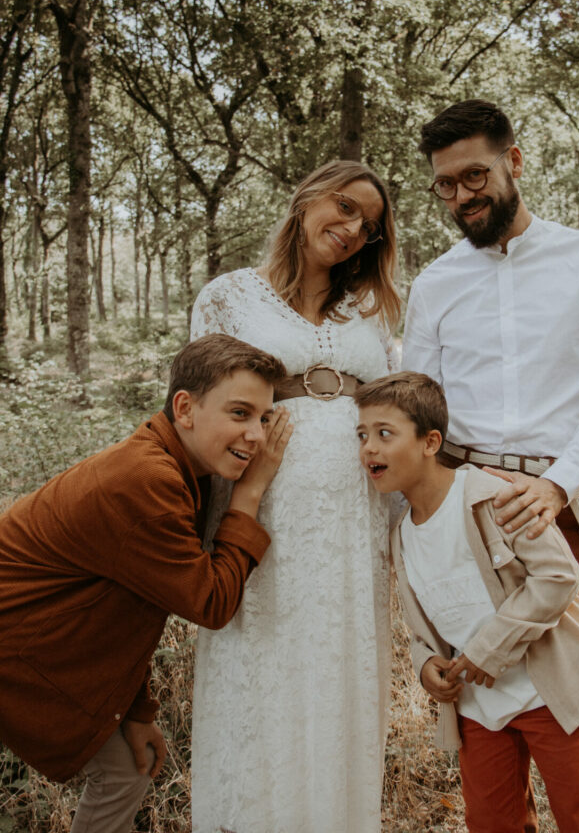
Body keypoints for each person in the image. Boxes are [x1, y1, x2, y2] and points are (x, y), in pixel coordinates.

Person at [402, 98, 579, 831]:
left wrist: (555, 481)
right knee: (489, 704)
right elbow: (422, 406)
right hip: (469, 517)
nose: (462, 196)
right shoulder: (433, 284)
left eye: (474, 176)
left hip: (566, 504)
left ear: (513, 162)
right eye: (445, 185)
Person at [0, 333, 291, 833]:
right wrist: (252, 492)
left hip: (40, 649)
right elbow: (212, 601)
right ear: (185, 407)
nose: (258, 437)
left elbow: (133, 603)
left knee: (125, 771)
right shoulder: (147, 478)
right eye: (240, 413)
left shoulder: (178, 467)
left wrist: (136, 712)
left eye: (265, 418)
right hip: (20, 651)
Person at [190, 160, 401, 833]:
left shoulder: (367, 311)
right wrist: (239, 491)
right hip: (266, 503)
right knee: (264, 664)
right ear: (307, 198)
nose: (349, 230)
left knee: (339, 665)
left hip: (354, 515)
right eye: (343, 208)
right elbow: (204, 413)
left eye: (366, 227)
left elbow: (394, 403)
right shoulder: (230, 295)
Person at [355, 371, 579, 833]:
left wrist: (489, 648)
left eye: (385, 433)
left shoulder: (492, 497)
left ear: (429, 441)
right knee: (492, 823)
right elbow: (423, 626)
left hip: (548, 691)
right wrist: (425, 666)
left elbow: (558, 576)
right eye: (362, 435)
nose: (369, 449)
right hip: (479, 709)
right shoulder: (400, 536)